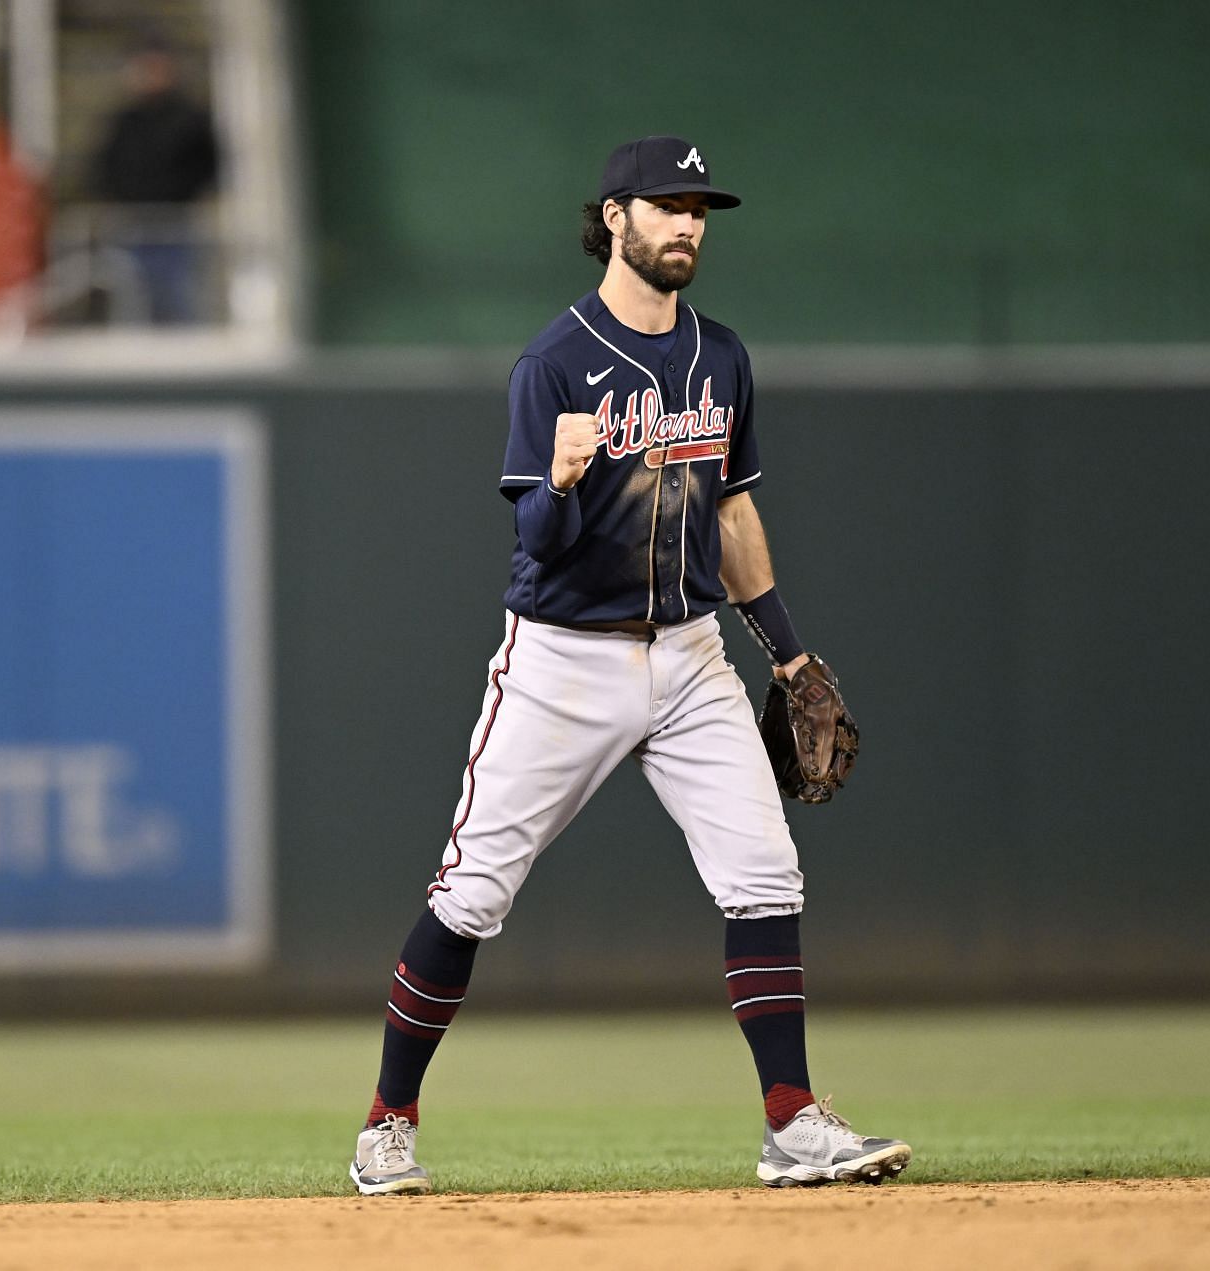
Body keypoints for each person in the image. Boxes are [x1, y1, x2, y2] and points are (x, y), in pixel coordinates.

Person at [348, 136, 911, 1195]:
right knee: (472, 892)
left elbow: (732, 510)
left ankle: (791, 1123)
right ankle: (387, 1121)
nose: (688, 223)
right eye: (667, 204)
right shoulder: (553, 362)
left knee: (764, 875)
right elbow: (538, 548)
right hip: (565, 658)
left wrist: (789, 655)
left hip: (692, 654)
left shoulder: (722, 356)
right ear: (615, 217)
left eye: (700, 207)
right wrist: (559, 484)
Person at [88, 34, 221, 325]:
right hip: (133, 222)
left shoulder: (190, 117)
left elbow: (210, 165)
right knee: (132, 300)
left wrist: (188, 192)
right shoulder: (124, 120)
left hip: (176, 222)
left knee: (178, 298)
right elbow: (105, 166)